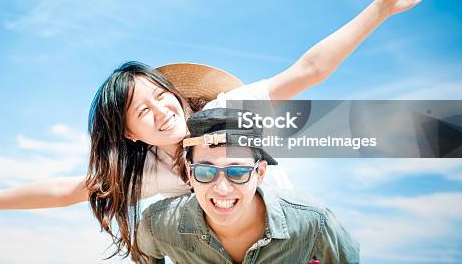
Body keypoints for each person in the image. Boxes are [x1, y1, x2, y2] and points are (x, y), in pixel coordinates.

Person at [0, 0, 424, 259]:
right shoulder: (145, 168)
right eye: (141, 111)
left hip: (290, 245)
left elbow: (309, 69)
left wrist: (382, 7)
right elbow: (65, 190)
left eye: (161, 95)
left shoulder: (225, 112)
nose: (160, 110)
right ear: (131, 134)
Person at [137, 108, 360, 263]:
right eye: (206, 172)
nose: (222, 188)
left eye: (238, 172)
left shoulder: (314, 223)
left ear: (260, 172)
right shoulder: (157, 225)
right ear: (190, 173)